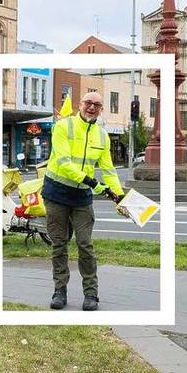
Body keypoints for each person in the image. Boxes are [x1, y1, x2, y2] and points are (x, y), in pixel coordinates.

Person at [41, 92, 129, 311]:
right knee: (59, 244)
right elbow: (64, 164)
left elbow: (108, 170)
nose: (92, 107)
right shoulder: (63, 127)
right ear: (80, 105)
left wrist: (119, 197)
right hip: (56, 192)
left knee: (85, 245)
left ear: (101, 110)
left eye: (97, 105)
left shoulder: (103, 136)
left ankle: (91, 293)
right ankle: (59, 290)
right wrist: (92, 183)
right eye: (88, 103)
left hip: (81, 197)